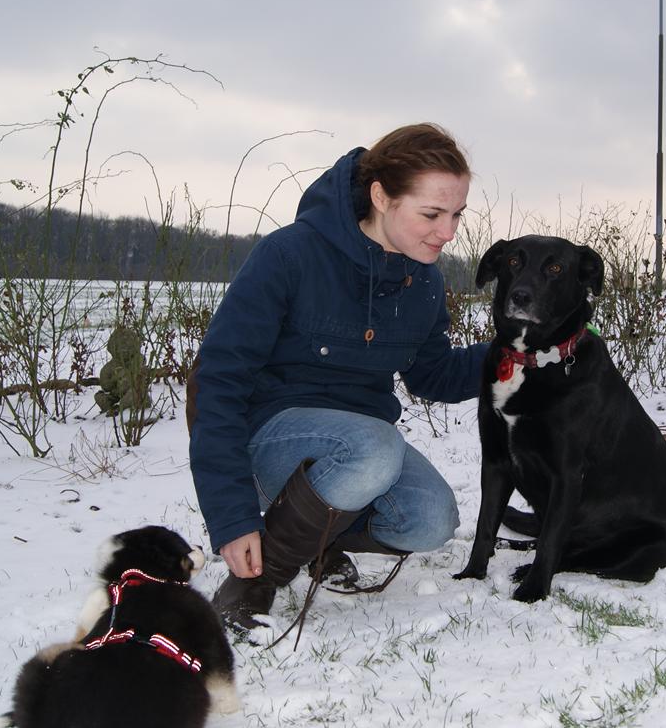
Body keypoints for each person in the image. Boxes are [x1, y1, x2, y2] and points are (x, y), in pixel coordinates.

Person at [187, 123, 488, 632]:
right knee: (375, 448)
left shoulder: (424, 281)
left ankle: (316, 539)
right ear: (381, 196)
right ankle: (259, 579)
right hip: (271, 440)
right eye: (432, 214)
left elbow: (433, 374)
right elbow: (217, 383)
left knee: (431, 520)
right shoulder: (289, 256)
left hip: (360, 451)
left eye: (457, 214)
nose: (449, 232)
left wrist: (515, 353)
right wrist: (232, 517)